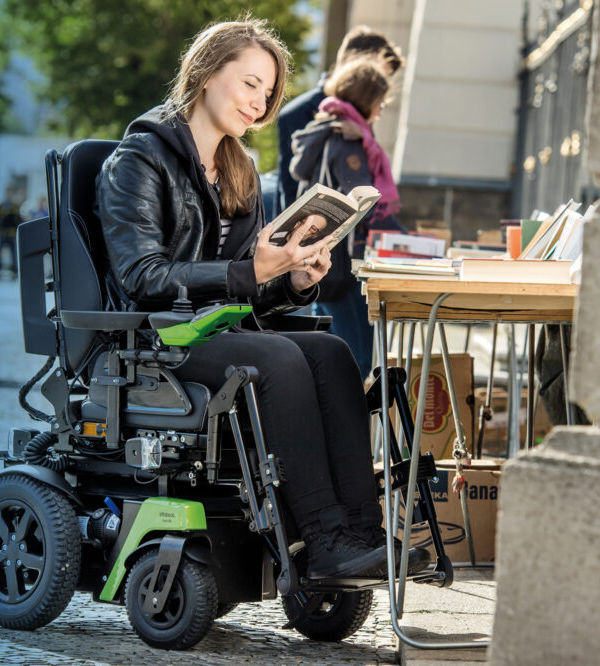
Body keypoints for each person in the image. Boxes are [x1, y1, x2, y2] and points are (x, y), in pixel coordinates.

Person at [96, 19, 425, 579]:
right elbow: (141, 276)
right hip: (156, 338)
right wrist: (249, 273)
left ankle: (363, 534)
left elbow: (251, 292)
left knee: (334, 353)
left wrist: (294, 279)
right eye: (250, 84)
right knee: (279, 359)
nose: (260, 103)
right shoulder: (139, 160)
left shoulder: (239, 167)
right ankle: (323, 540)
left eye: (267, 92)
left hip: (218, 329)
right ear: (205, 74)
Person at [289, 58, 405, 379]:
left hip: (318, 261)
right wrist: (410, 241)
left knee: (323, 355)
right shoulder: (346, 141)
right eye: (379, 103)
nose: (380, 111)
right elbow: (362, 202)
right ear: (367, 100)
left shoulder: (323, 133)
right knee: (358, 362)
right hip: (345, 263)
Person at [274, 25, 404, 216]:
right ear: (353, 63)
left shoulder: (359, 115)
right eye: (375, 74)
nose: (379, 90)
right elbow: (291, 191)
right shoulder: (296, 113)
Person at [0, 187, 22, 277]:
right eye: (7, 193)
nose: (8, 195)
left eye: (10, 193)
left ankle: (15, 270)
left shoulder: (15, 206)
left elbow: (18, 220)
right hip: (2, 233)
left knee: (13, 253)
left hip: (11, 233)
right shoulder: (1, 206)